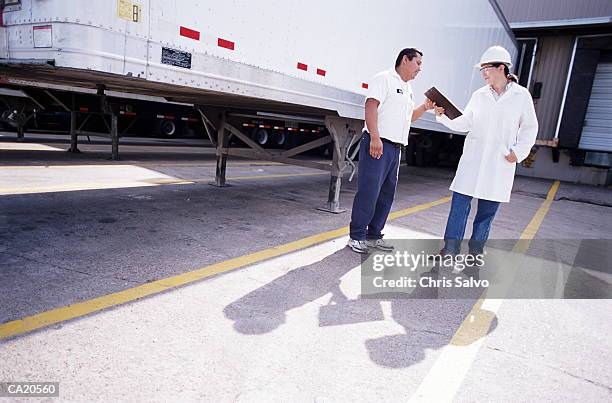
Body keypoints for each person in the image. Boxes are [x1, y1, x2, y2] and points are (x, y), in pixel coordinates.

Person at [433, 45, 538, 256]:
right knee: (459, 207)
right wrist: (442, 115)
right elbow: (465, 123)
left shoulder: (521, 96)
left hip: (500, 163)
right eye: (482, 70)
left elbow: (530, 127)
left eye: (486, 69)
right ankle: (450, 249)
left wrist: (518, 152)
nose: (483, 74)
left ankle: (475, 253)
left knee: (486, 214)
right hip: (473, 160)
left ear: (501, 68)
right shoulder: (479, 95)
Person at [348, 48, 435, 254]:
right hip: (378, 144)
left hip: (395, 148)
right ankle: (357, 236)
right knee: (369, 192)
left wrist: (424, 107)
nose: (420, 69)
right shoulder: (385, 79)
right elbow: (371, 106)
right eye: (418, 63)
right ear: (405, 60)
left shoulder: (407, 88)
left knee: (386, 195)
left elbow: (408, 118)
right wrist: (375, 137)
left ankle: (373, 236)